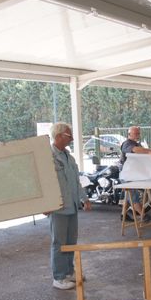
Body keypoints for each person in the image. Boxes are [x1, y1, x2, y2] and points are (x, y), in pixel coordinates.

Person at [47, 123, 91, 290]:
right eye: (69, 135)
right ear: (58, 136)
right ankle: (58, 277)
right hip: (58, 207)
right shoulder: (48, 156)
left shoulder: (69, 157)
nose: (72, 139)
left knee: (71, 241)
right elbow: (43, 183)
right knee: (59, 242)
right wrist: (44, 204)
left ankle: (68, 272)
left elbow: (76, 181)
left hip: (72, 205)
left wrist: (84, 198)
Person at [119, 126, 151, 218]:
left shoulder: (137, 144)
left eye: (138, 133)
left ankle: (123, 215)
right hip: (126, 174)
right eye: (135, 133)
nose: (138, 135)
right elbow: (134, 150)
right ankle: (143, 215)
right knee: (133, 195)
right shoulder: (127, 143)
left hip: (133, 173)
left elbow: (142, 153)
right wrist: (150, 151)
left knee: (129, 195)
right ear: (129, 134)